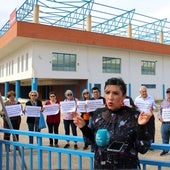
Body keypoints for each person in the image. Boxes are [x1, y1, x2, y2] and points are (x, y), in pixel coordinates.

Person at [73, 77, 152, 169]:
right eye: (107, 92)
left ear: (123, 96)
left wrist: (141, 126)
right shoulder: (98, 114)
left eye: (115, 93)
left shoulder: (134, 116)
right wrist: (83, 127)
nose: (110, 97)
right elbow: (91, 141)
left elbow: (143, 148)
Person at [158, 88, 170, 156]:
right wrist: (160, 118)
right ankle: (165, 150)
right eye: (168, 93)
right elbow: (159, 112)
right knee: (165, 138)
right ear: (166, 94)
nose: (169, 94)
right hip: (165, 124)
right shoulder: (163, 102)